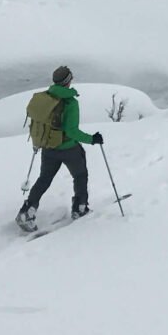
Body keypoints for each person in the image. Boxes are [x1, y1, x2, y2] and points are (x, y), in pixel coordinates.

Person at [17, 65, 102, 231]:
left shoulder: (46, 98)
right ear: (68, 81)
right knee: (80, 175)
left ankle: (27, 211)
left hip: (48, 147)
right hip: (69, 148)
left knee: (44, 179)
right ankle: (80, 208)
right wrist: (92, 139)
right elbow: (72, 131)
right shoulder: (70, 102)